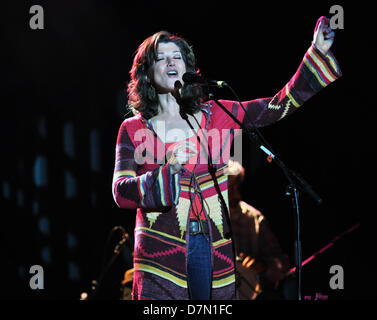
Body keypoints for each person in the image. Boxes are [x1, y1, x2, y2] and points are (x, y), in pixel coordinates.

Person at [112, 16, 341, 300]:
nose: (172, 62)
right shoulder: (133, 128)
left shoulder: (218, 112)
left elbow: (276, 106)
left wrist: (315, 55)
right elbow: (121, 191)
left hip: (213, 246)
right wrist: (166, 172)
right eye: (161, 58)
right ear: (147, 72)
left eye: (178, 57)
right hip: (161, 256)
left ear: (187, 67)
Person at [227, 160, 290, 300]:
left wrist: (263, 265)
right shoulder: (197, 217)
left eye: (238, 187)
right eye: (231, 189)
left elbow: (281, 263)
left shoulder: (254, 218)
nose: (237, 195)